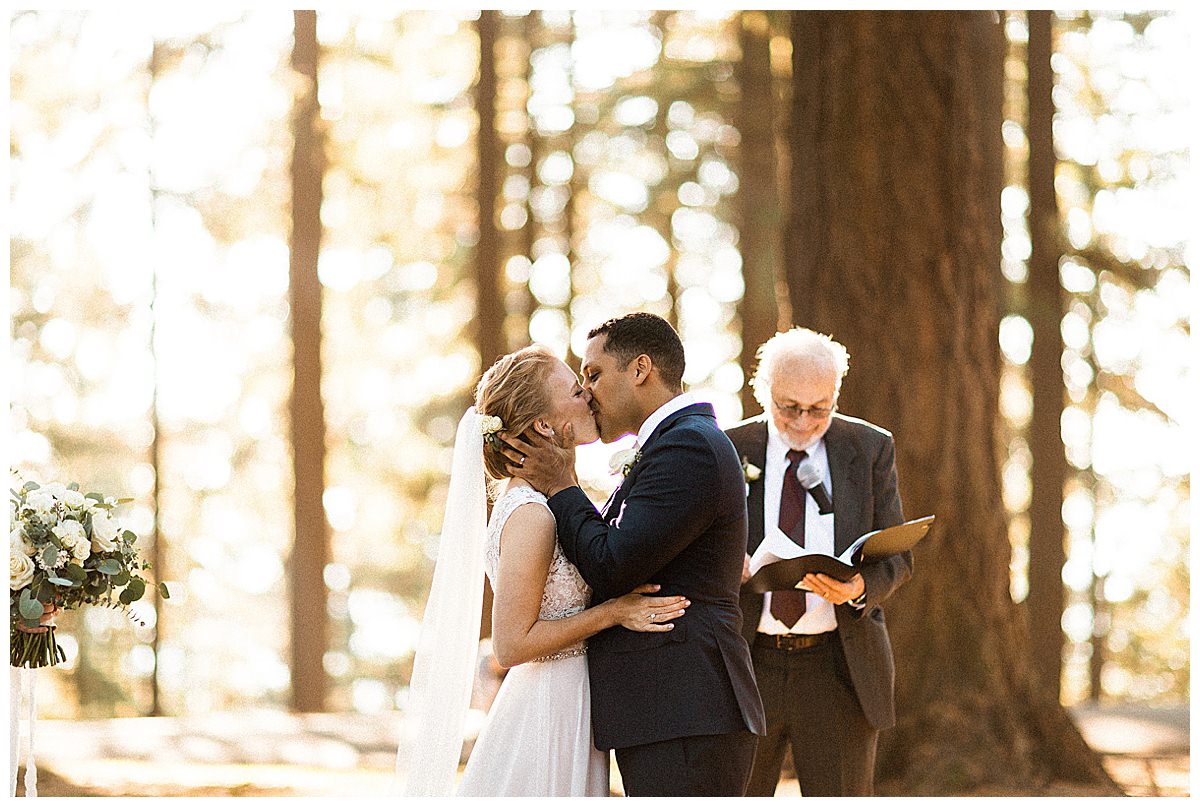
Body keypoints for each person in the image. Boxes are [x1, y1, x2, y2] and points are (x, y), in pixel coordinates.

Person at [397, 345, 690, 796]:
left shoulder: (550, 503)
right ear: (544, 425)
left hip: (570, 699)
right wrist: (613, 612)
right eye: (576, 389)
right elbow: (512, 644)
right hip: (546, 710)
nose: (590, 395)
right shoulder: (532, 514)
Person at [502, 313, 766, 797]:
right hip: (667, 710)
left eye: (594, 374)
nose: (587, 391)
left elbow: (613, 564)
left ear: (641, 368)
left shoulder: (689, 446)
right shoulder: (672, 445)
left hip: (688, 709)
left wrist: (563, 484)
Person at [725, 327, 913, 796]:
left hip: (837, 665)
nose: (804, 421)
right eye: (789, 407)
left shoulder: (869, 448)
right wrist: (726, 565)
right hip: (746, 661)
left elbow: (897, 557)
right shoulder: (727, 447)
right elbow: (693, 543)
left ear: (836, 395)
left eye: (819, 408)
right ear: (763, 391)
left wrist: (858, 589)